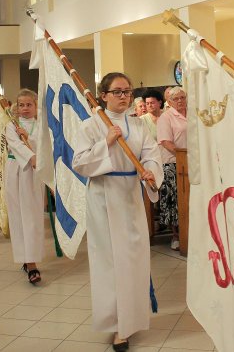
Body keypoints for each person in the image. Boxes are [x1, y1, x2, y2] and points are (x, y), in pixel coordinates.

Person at [72, 72, 162, 352]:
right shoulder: (91, 126)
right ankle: (116, 326)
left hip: (130, 196)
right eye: (118, 91)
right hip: (103, 197)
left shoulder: (139, 126)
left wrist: (150, 172)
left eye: (128, 91)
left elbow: (151, 154)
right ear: (104, 95)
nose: (124, 96)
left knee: (133, 259)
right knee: (110, 262)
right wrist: (107, 141)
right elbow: (80, 163)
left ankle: (132, 319)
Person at [4, 89, 44, 284]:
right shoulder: (11, 125)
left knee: (33, 216)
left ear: (36, 106)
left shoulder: (41, 126)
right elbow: (14, 145)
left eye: (29, 105)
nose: (25, 108)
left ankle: (33, 259)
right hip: (15, 169)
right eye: (21, 105)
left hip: (34, 173)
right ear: (16, 107)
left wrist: (30, 137)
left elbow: (45, 145)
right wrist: (32, 156)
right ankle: (27, 261)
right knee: (18, 215)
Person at [156, 86, 187, 250]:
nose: (181, 101)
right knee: (174, 199)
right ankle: (176, 235)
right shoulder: (166, 118)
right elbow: (166, 142)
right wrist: (183, 155)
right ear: (169, 102)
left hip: (191, 162)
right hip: (172, 163)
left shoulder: (192, 114)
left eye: (183, 97)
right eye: (176, 99)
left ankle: (190, 232)